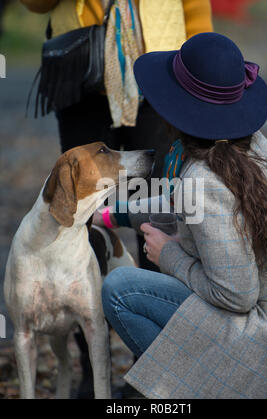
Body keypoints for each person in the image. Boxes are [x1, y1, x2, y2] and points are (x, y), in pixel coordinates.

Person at [20, 0, 213, 398]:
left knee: (161, 213)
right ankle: (94, 368)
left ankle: (160, 365)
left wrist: (198, 72)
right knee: (81, 217)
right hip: (79, 67)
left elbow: (194, 5)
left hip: (162, 66)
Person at [100, 32, 267, 399]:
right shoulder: (248, 144)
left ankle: (184, 390)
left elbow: (238, 296)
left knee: (120, 289)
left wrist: (169, 255)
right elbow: (182, 202)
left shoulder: (202, 180)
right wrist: (111, 215)